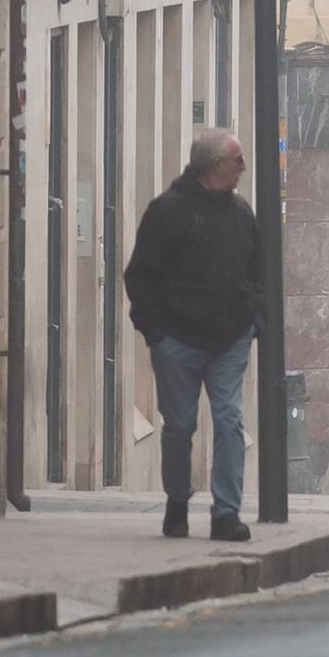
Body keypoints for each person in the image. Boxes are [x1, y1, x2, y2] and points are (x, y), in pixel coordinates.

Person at [123, 129, 262, 542]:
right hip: (177, 341)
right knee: (180, 426)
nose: (243, 166)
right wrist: (156, 333)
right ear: (216, 165)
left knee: (229, 420)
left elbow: (258, 270)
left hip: (229, 339)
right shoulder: (167, 211)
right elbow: (140, 275)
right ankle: (177, 503)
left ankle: (226, 512)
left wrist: (255, 320)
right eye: (237, 159)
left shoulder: (241, 214)